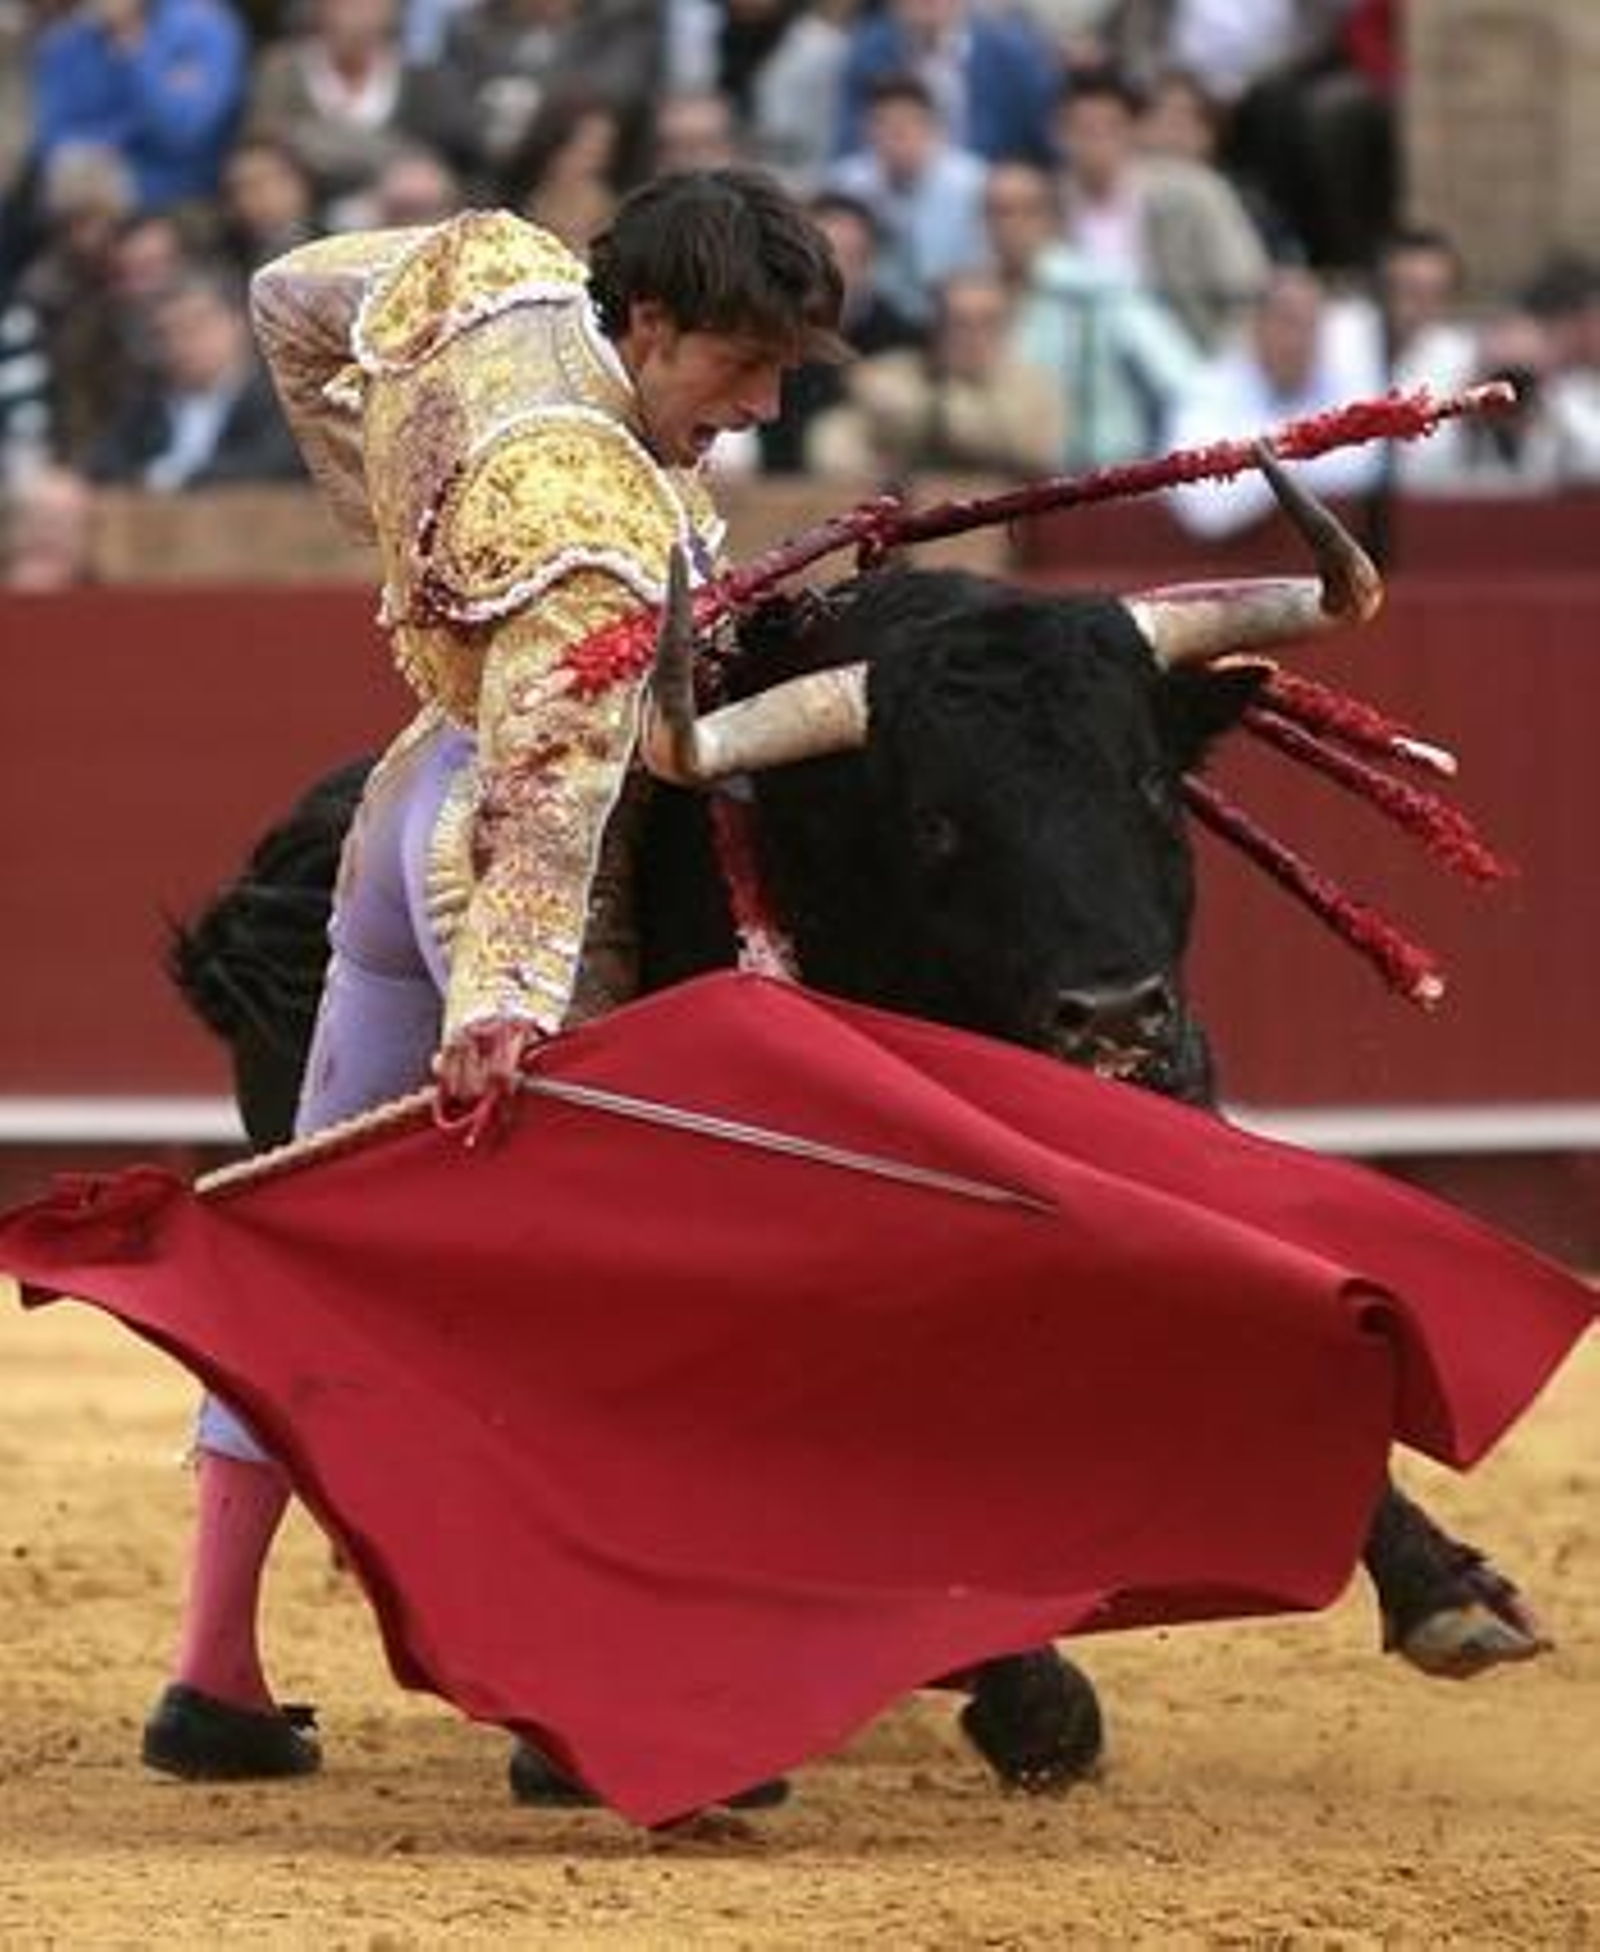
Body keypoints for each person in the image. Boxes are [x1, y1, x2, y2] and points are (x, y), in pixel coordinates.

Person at [140, 167, 846, 1799]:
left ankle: (214, 1675)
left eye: (782, 369)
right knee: (588, 1299)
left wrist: (383, 518)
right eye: (737, 362)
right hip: (488, 870)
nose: (760, 402)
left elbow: (289, 299)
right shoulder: (594, 517)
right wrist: (509, 1005)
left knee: (293, 1230)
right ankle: (575, 1706)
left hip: (396, 812)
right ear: (649, 322)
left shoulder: (490, 278)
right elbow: (549, 790)